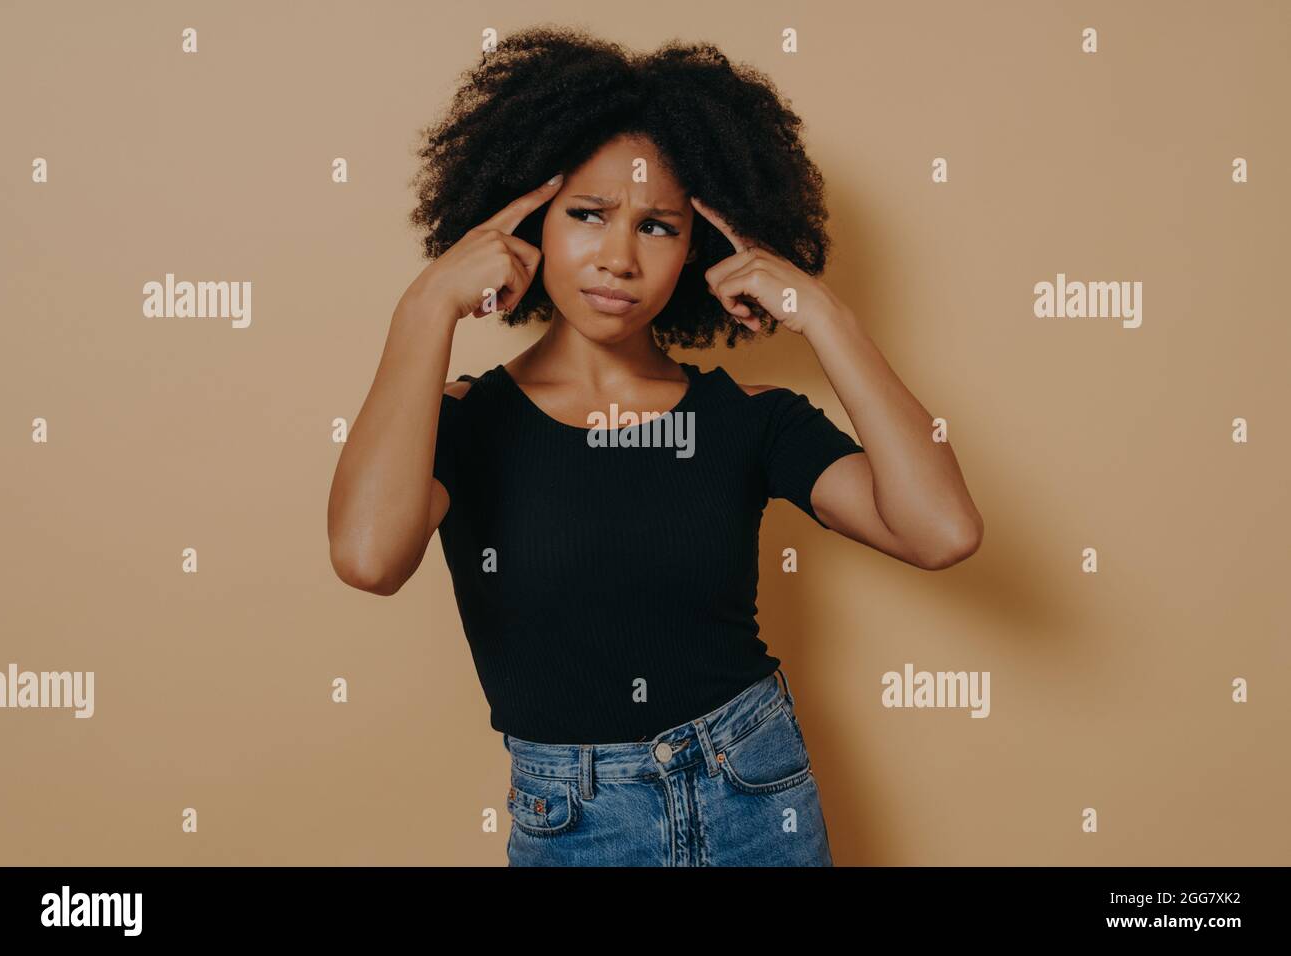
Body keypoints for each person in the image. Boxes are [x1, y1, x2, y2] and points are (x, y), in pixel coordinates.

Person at [327, 26, 983, 866]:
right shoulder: (459, 423)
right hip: (576, 821)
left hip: (757, 794)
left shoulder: (749, 417)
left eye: (659, 226)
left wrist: (825, 316)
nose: (619, 257)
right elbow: (368, 558)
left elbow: (943, 532)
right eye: (588, 215)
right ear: (524, 222)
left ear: (701, 246)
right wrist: (425, 308)